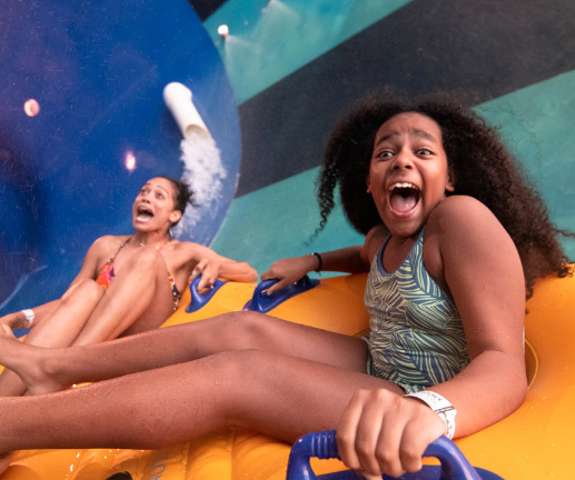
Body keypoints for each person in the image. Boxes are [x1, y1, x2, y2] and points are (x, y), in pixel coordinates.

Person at [0, 94, 571, 478]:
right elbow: (360, 256)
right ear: (369, 183)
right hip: (379, 362)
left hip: (418, 394)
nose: (402, 161)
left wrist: (431, 412)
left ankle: (12, 424)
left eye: (423, 152)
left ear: (450, 178)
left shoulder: (461, 220)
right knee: (241, 327)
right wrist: (312, 258)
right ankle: (57, 367)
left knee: (237, 375)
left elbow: (502, 363)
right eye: (385, 153)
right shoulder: (384, 240)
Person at [0, 176, 258, 397]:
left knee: (146, 257)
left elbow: (248, 272)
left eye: (159, 195)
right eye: (143, 192)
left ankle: (65, 366)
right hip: (94, 330)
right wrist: (19, 317)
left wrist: (212, 262)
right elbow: (68, 301)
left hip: (134, 336)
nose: (146, 198)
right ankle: (8, 403)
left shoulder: (183, 252)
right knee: (88, 290)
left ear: (174, 215)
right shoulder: (105, 247)